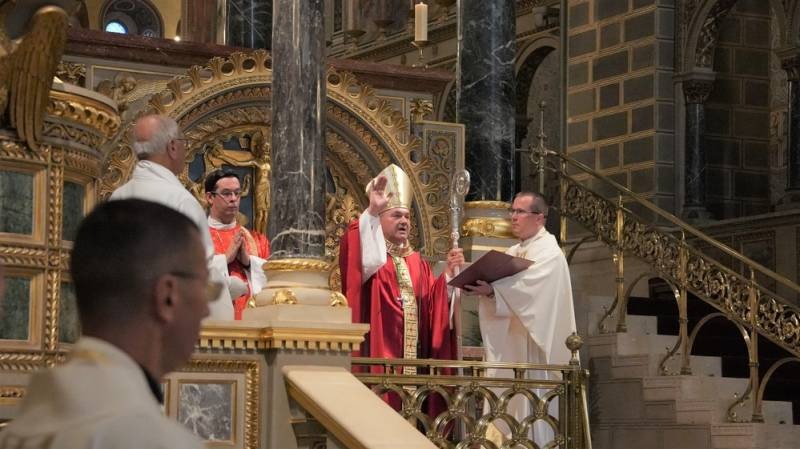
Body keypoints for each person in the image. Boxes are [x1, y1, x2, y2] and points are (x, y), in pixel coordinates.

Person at [0, 199, 216, 448]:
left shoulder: (17, 433)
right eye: (205, 286)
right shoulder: (157, 441)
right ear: (167, 295)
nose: (206, 309)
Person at [464, 191, 576, 445]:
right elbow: (509, 291)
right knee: (507, 404)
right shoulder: (515, 250)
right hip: (511, 344)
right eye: (512, 211)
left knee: (529, 406)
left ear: (539, 217)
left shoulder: (550, 253)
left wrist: (494, 291)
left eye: (520, 212)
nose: (513, 217)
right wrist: (487, 290)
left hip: (534, 346)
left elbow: (532, 290)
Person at [339, 164, 465, 373]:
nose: (404, 221)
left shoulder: (418, 263)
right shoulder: (374, 258)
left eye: (407, 216)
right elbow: (354, 256)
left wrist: (449, 277)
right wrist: (371, 212)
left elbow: (432, 307)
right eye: (396, 215)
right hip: (378, 360)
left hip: (414, 364)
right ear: (379, 220)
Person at [110, 114, 233, 319]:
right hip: (165, 318)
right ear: (173, 147)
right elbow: (200, 271)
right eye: (184, 142)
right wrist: (228, 287)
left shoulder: (117, 197)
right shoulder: (181, 201)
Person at [204, 169, 270, 320]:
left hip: (252, 325)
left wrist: (249, 263)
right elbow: (188, 280)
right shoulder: (196, 238)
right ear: (210, 197)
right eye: (226, 193)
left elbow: (273, 281)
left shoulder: (258, 240)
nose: (233, 199)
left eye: (237, 193)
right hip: (212, 327)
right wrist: (225, 259)